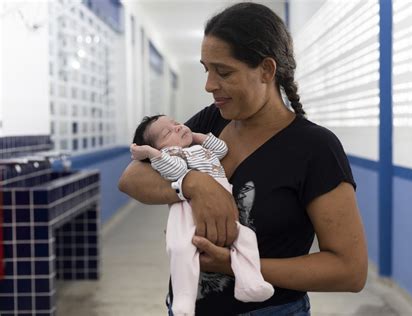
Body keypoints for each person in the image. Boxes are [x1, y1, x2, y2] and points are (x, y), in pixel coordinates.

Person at [119, 2, 368, 315]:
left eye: (223, 72)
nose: (209, 85)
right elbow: (131, 178)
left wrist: (236, 265)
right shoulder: (213, 121)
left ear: (266, 70)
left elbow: (349, 270)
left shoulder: (314, 148)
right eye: (206, 69)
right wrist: (194, 184)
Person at [130, 115, 274, 315]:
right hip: (187, 208)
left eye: (176, 123)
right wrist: (151, 153)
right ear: (159, 147)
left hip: (223, 204)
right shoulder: (171, 154)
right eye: (167, 132)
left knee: (246, 238)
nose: (178, 128)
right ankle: (183, 298)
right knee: (181, 248)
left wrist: (197, 136)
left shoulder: (200, 148)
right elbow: (176, 171)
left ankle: (250, 281)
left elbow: (222, 149)